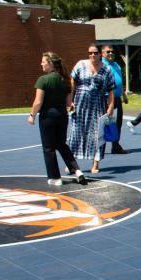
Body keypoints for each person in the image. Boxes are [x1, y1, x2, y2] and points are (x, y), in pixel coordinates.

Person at [27, 52, 86, 186]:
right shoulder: (65, 80)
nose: (41, 64)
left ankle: (55, 177)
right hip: (62, 116)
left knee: (49, 148)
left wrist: (32, 115)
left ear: (50, 63)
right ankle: (77, 171)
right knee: (62, 144)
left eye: (43, 61)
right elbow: (68, 103)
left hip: (48, 117)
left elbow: (38, 101)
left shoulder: (43, 80)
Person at [67, 43, 115, 174]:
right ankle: (71, 163)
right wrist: (70, 101)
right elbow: (72, 82)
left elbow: (111, 90)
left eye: (95, 53)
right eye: (90, 53)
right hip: (80, 106)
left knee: (98, 135)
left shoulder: (106, 69)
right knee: (75, 133)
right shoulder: (80, 65)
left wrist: (110, 106)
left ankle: (96, 163)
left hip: (98, 106)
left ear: (100, 54)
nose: (92, 55)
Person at [101, 45, 129, 154]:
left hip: (117, 98)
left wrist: (124, 95)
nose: (110, 53)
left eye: (112, 52)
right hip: (106, 99)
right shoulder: (101, 65)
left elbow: (120, 81)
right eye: (108, 52)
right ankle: (100, 148)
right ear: (102, 53)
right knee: (104, 123)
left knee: (117, 123)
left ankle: (115, 145)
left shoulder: (116, 65)